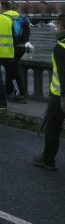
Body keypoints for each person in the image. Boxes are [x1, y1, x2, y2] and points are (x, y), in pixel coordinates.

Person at [34, 12, 65, 170]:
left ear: (61, 26)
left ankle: (48, 160)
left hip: (59, 96)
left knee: (53, 128)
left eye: (58, 26)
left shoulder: (60, 48)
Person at [1, 0, 30, 103]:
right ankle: (8, 92)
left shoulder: (4, 17)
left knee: (13, 71)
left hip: (10, 47)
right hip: (21, 47)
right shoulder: (21, 17)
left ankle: (20, 95)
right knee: (10, 70)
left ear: (2, 8)